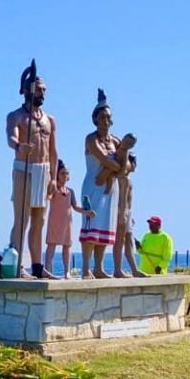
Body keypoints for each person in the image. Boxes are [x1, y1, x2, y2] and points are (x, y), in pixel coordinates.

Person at [6, 60, 59, 279]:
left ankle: (38, 265)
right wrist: (19, 145)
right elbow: (11, 137)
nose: (42, 93)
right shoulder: (16, 116)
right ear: (28, 90)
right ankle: (17, 264)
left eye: (44, 90)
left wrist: (54, 178)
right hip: (24, 169)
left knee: (40, 220)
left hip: (44, 171)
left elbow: (54, 150)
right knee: (22, 219)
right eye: (39, 89)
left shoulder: (49, 119)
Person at [79, 89, 128, 278]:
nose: (106, 121)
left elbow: (126, 165)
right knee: (91, 224)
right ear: (95, 119)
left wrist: (110, 171)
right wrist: (114, 166)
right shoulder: (91, 139)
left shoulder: (116, 141)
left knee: (105, 226)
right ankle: (86, 268)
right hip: (93, 184)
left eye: (109, 117)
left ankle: (99, 267)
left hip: (110, 187)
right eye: (102, 117)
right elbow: (104, 159)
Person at [45, 160, 91, 278]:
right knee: (52, 245)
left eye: (66, 173)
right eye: (62, 173)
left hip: (67, 222)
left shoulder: (70, 191)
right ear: (57, 174)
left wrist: (87, 212)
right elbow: (48, 197)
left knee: (67, 246)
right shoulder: (54, 188)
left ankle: (67, 272)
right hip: (54, 221)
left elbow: (75, 207)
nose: (65, 176)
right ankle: (47, 269)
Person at [116, 157, 147, 278]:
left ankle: (134, 269)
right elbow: (122, 198)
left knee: (129, 240)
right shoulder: (122, 179)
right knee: (120, 240)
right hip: (122, 211)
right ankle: (118, 269)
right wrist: (123, 213)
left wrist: (129, 215)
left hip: (127, 212)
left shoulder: (127, 179)